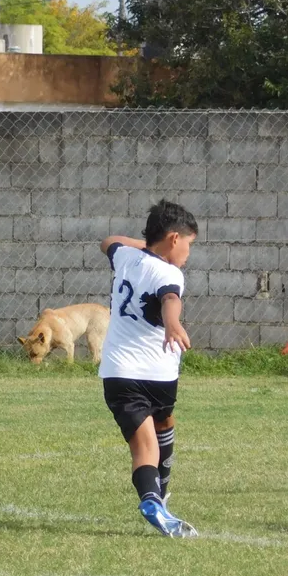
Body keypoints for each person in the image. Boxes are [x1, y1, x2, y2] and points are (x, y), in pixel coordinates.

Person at [99, 198, 199, 538]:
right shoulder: (170, 273)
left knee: (145, 446)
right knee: (162, 425)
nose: (188, 252)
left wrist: (145, 245)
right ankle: (160, 493)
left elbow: (108, 241)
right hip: (158, 373)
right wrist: (172, 324)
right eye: (188, 243)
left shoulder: (125, 257)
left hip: (118, 374)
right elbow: (171, 299)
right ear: (174, 238)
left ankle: (154, 498)